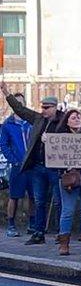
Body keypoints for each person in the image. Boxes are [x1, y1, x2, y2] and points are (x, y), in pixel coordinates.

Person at [1, 85, 64, 245]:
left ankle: (61, 232)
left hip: (54, 167)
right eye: (42, 107)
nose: (43, 110)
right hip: (37, 166)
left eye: (46, 107)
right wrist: (7, 93)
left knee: (57, 200)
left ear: (55, 108)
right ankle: (38, 232)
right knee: (39, 200)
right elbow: (20, 109)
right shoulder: (38, 119)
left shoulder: (63, 121)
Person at [51, 109, 81, 255]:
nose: (77, 120)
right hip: (69, 178)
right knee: (68, 210)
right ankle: (64, 243)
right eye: (73, 118)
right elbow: (51, 157)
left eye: (79, 117)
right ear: (67, 121)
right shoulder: (60, 138)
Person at [1, 93, 33, 237]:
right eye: (16, 103)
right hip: (18, 165)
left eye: (21, 103)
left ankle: (33, 224)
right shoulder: (8, 124)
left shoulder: (32, 121)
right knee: (14, 196)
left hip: (33, 166)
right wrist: (13, 160)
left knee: (34, 196)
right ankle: (11, 225)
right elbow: (3, 144)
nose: (18, 105)